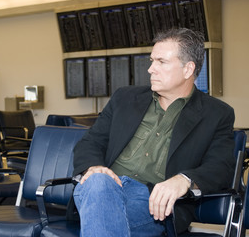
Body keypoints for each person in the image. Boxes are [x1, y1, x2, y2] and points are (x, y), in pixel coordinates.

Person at [72, 28, 235, 236]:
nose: (151, 69)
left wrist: (184, 179)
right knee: (99, 184)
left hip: (153, 202)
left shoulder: (216, 114)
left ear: (188, 69)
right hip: (103, 187)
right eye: (151, 60)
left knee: (103, 216)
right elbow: (90, 143)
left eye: (161, 62)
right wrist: (94, 168)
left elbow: (221, 166)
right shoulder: (124, 98)